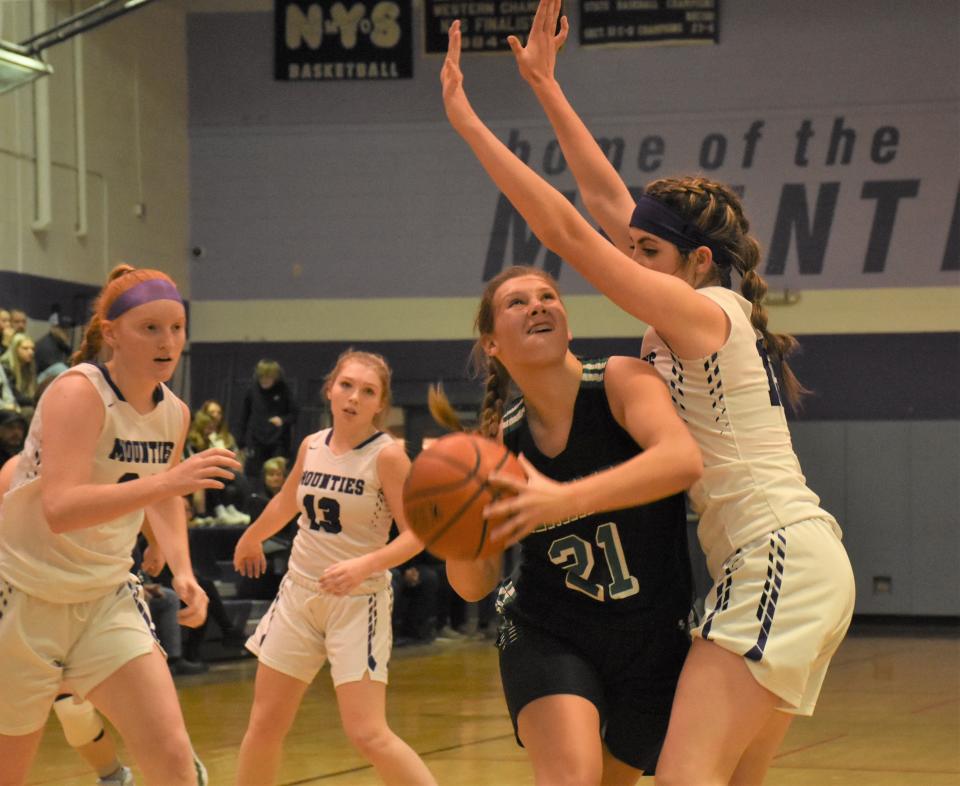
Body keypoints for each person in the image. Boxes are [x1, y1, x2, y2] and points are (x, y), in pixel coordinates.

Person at [442, 12, 856, 783]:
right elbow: (602, 197)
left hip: (775, 557)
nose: (631, 258)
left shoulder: (706, 313)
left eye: (647, 251)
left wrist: (469, 126)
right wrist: (544, 86)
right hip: (783, 560)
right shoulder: (695, 311)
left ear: (697, 261)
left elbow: (570, 229)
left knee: (688, 777)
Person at [435, 266, 702, 785]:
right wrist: (456, 522)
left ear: (568, 326)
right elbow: (472, 586)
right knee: (572, 778)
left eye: (547, 296)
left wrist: (561, 501)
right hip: (549, 632)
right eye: (517, 303)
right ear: (491, 344)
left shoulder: (621, 380)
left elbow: (682, 461)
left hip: (653, 637)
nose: (537, 306)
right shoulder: (497, 448)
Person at [0, 264, 242, 786]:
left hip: (104, 597)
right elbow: (61, 509)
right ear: (111, 333)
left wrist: (182, 569)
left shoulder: (174, 413)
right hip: (23, 598)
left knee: (175, 763)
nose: (168, 342)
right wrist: (167, 483)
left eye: (176, 328)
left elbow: (165, 499)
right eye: (150, 328)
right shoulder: (78, 392)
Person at [233, 350, 437, 786]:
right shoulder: (311, 444)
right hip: (299, 595)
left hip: (357, 602)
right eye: (346, 385)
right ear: (330, 389)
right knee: (265, 725)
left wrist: (366, 563)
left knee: (367, 734)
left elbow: (417, 535)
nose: (354, 398)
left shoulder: (387, 457)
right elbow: (287, 502)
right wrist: (252, 535)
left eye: (367, 391)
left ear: (380, 404)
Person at [0, 455, 135, 786]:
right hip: (24, 597)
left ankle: (125, 773)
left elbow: (146, 500)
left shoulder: (102, 462)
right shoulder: (15, 473)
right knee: (67, 709)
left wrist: (166, 551)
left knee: (74, 708)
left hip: (89, 598)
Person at [238, 359, 299, 479]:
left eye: (268, 377)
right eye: (261, 377)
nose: (264, 380)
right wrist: (241, 441)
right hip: (257, 439)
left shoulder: (284, 390)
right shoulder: (252, 390)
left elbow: (295, 413)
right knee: (253, 474)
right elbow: (244, 416)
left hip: (278, 441)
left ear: (275, 377)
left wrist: (282, 420)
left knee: (277, 474)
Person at [0, 332, 38, 413]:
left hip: (18, 405)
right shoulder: (5, 366)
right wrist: (35, 402)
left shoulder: (29, 367)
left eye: (32, 348)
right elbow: (14, 395)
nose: (31, 352)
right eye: (25, 348)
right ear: (15, 349)